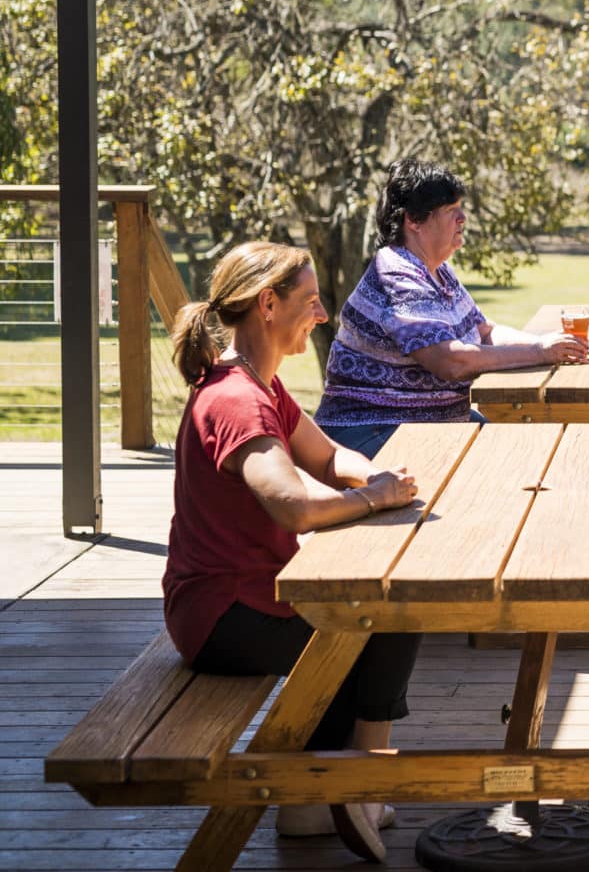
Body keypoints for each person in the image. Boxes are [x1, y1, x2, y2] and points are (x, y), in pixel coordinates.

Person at [163, 243, 422, 862]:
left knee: (372, 622)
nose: (323, 315)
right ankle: (357, 789)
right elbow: (294, 507)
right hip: (221, 615)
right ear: (268, 304)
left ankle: (317, 801)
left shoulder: (259, 385)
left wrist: (377, 477)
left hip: (246, 597)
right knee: (385, 622)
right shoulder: (237, 400)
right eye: (311, 302)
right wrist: (373, 502)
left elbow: (328, 457)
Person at [316, 160, 584, 457]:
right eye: (449, 210)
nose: (463, 218)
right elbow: (451, 362)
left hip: (422, 423)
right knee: (512, 463)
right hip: (373, 430)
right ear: (414, 221)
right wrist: (539, 352)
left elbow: (484, 331)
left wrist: (546, 344)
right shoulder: (396, 275)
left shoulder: (438, 272)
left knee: (524, 453)